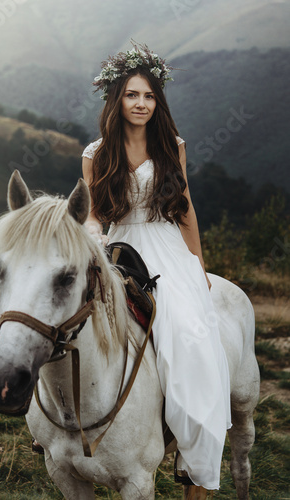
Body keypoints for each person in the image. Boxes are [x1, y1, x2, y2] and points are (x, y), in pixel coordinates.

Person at [81, 42, 232, 492]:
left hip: (165, 246)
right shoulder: (96, 152)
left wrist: (197, 263)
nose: (141, 104)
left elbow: (185, 209)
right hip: (121, 247)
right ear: (117, 100)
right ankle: (57, 428)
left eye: (148, 96)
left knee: (189, 336)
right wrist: (93, 234)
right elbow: (91, 212)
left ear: (157, 101)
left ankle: (189, 448)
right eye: (132, 95)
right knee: (77, 323)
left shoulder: (173, 147)